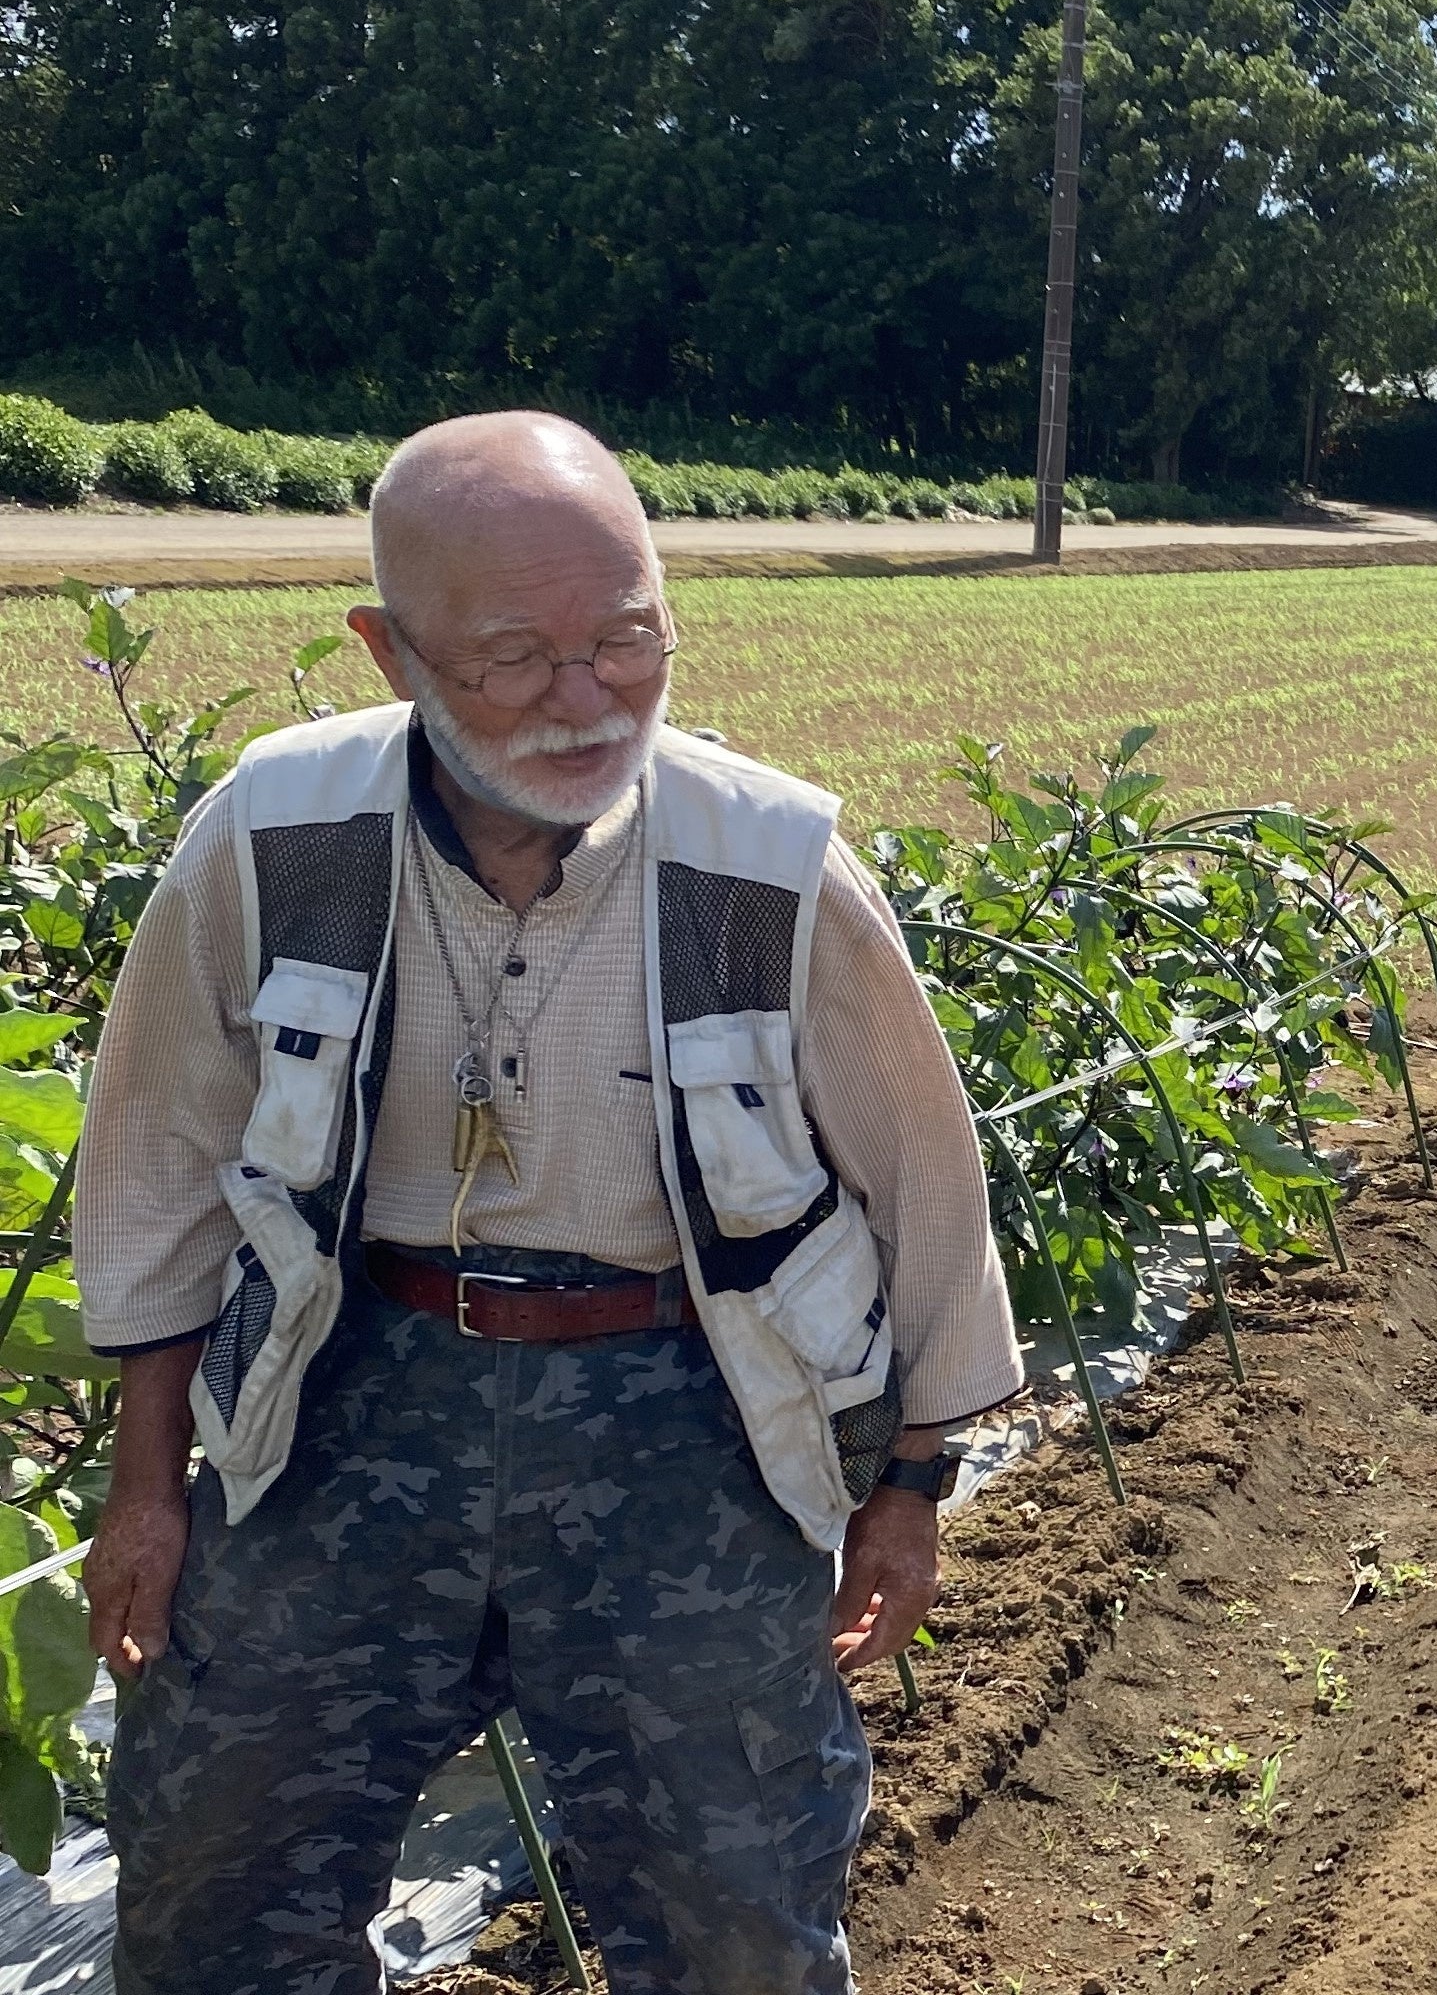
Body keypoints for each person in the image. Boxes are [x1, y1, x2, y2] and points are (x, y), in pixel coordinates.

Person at [75, 411, 1023, 1994]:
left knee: (731, 1909)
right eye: (517, 658)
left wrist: (915, 1487)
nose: (590, 701)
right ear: (391, 652)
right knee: (215, 1874)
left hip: (686, 1401)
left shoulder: (767, 866)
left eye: (629, 637)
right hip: (347, 1383)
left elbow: (927, 1185)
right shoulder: (275, 832)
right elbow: (162, 1159)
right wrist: (149, 1485)